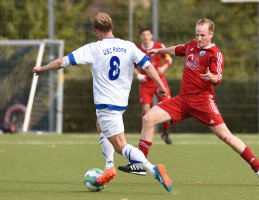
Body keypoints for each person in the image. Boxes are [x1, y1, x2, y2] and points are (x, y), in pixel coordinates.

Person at [120, 18, 259, 186]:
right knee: (148, 118)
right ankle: (141, 164)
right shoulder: (192, 45)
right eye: (197, 35)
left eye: (202, 35)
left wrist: (212, 77)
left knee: (226, 136)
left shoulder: (215, 54)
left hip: (203, 101)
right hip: (183, 100)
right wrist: (158, 50)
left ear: (211, 34)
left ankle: (258, 166)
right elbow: (177, 49)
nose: (199, 38)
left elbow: (218, 77)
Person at [32, 12, 172, 192]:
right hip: (120, 102)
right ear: (111, 27)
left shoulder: (94, 48)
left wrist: (42, 68)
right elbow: (148, 66)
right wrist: (160, 85)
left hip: (106, 104)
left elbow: (63, 62)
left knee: (121, 145)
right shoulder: (128, 46)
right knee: (101, 126)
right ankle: (109, 166)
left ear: (97, 30)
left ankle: (154, 170)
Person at [134, 28, 173, 145]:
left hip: (160, 82)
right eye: (143, 35)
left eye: (147, 34)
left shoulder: (158, 46)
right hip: (146, 84)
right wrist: (138, 76)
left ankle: (165, 133)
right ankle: (145, 137)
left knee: (168, 109)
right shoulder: (137, 49)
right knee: (146, 110)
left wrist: (163, 68)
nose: (145, 37)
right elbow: (133, 66)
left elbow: (169, 60)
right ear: (141, 37)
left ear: (151, 36)